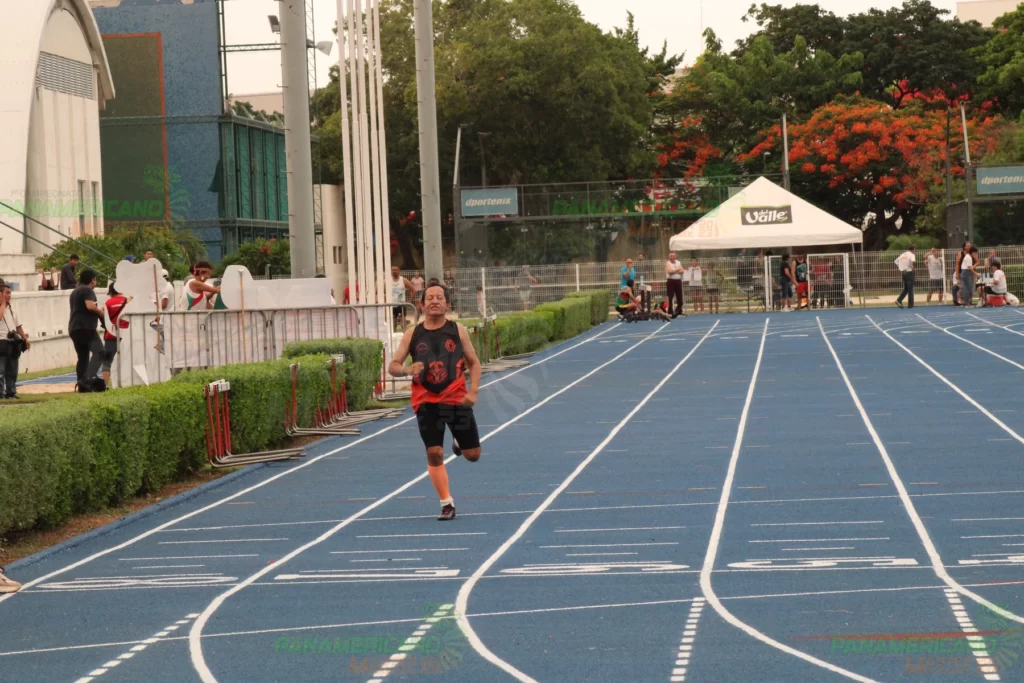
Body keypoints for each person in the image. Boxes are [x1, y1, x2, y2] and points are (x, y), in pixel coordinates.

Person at [388, 284, 482, 521]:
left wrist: (473, 392)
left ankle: (459, 441)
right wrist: (406, 369)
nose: (434, 301)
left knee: (473, 455)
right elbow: (393, 366)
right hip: (426, 401)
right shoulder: (412, 333)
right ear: (421, 304)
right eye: (429, 297)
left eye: (440, 297)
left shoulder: (458, 330)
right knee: (434, 452)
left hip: (456, 399)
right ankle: (446, 503)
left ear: (447, 304)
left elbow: (474, 362)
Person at [68, 269, 104, 386]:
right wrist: (101, 312)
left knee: (83, 357)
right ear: (92, 280)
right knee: (100, 352)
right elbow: (90, 306)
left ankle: (81, 383)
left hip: (74, 328)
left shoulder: (75, 291)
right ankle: (89, 376)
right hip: (86, 327)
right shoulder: (88, 290)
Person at [0, 284, 30, 399]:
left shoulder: (12, 309)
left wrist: (25, 338)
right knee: (1, 370)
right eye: (6, 293)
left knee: (12, 369)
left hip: (12, 343)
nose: (9, 295)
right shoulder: (3, 308)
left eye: (10, 293)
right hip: (1, 342)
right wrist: (3, 304)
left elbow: (18, 326)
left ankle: (11, 392)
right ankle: (0, 393)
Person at [101, 282, 131, 386]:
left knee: (107, 361)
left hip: (111, 335)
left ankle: (105, 386)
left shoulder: (108, 303)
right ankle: (127, 384)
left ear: (111, 292)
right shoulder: (127, 301)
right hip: (127, 335)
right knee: (128, 360)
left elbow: (104, 317)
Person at [390, 266, 415, 330]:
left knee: (403, 324)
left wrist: (409, 301)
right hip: (391, 305)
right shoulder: (388, 280)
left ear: (399, 271)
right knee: (393, 324)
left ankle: (405, 335)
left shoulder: (404, 280)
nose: (394, 271)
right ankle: (393, 335)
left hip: (401, 305)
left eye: (396, 270)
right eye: (393, 270)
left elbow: (414, 290)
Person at [895, 244, 916, 309]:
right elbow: (914, 261)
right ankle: (910, 305)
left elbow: (896, 261)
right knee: (910, 289)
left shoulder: (903, 254)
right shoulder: (911, 254)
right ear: (913, 249)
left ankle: (899, 300)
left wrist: (901, 267)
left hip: (903, 272)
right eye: (915, 250)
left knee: (906, 288)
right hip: (909, 272)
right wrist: (913, 267)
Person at [665, 252, 685, 318]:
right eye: (671, 256)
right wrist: (677, 269)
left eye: (673, 256)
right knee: (670, 297)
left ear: (675, 256)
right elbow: (670, 272)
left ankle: (678, 311)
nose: (672, 257)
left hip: (678, 281)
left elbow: (682, 271)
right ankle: (670, 312)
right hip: (671, 281)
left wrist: (674, 270)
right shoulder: (668, 263)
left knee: (680, 298)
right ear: (669, 257)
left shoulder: (678, 262)